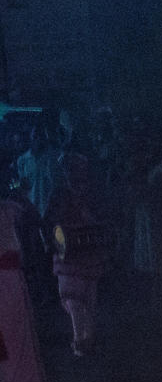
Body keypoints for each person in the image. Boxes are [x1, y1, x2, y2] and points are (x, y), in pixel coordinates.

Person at [45, 153, 110, 358]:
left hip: (87, 249)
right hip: (68, 250)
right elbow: (50, 220)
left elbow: (103, 217)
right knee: (73, 297)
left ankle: (85, 339)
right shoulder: (60, 193)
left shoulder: (93, 193)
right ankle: (81, 338)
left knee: (86, 296)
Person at [0, 191, 45, 382]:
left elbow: (32, 220)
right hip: (9, 275)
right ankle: (13, 378)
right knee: (11, 329)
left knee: (11, 329)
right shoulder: (11, 209)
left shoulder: (11, 208)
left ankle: (14, 379)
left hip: (8, 276)